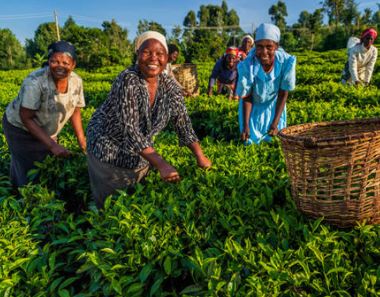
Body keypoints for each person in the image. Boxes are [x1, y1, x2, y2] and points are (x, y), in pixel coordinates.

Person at [86, 31, 211, 209]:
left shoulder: (170, 88)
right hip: (108, 148)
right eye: (147, 52)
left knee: (138, 204)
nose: (153, 58)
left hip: (141, 152)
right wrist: (161, 164)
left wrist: (200, 156)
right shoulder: (127, 79)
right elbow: (130, 129)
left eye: (159, 53)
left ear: (166, 58)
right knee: (113, 207)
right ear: (137, 54)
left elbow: (183, 124)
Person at [2, 41, 86, 190]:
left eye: (65, 63)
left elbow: (75, 111)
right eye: (54, 61)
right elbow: (26, 117)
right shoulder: (35, 81)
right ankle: (25, 201)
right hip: (20, 128)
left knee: (47, 163)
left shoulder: (76, 81)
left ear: (73, 65)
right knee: (30, 167)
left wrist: (81, 141)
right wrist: (52, 145)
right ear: (48, 62)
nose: (60, 66)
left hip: (45, 127)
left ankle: (19, 190)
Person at [236, 23, 296, 145]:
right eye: (259, 47)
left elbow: (283, 94)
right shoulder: (248, 65)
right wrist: (246, 125)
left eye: (269, 47)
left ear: (277, 46)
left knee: (275, 142)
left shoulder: (285, 62)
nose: (264, 52)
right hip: (252, 108)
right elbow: (247, 97)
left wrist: (275, 122)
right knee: (250, 143)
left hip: (275, 107)